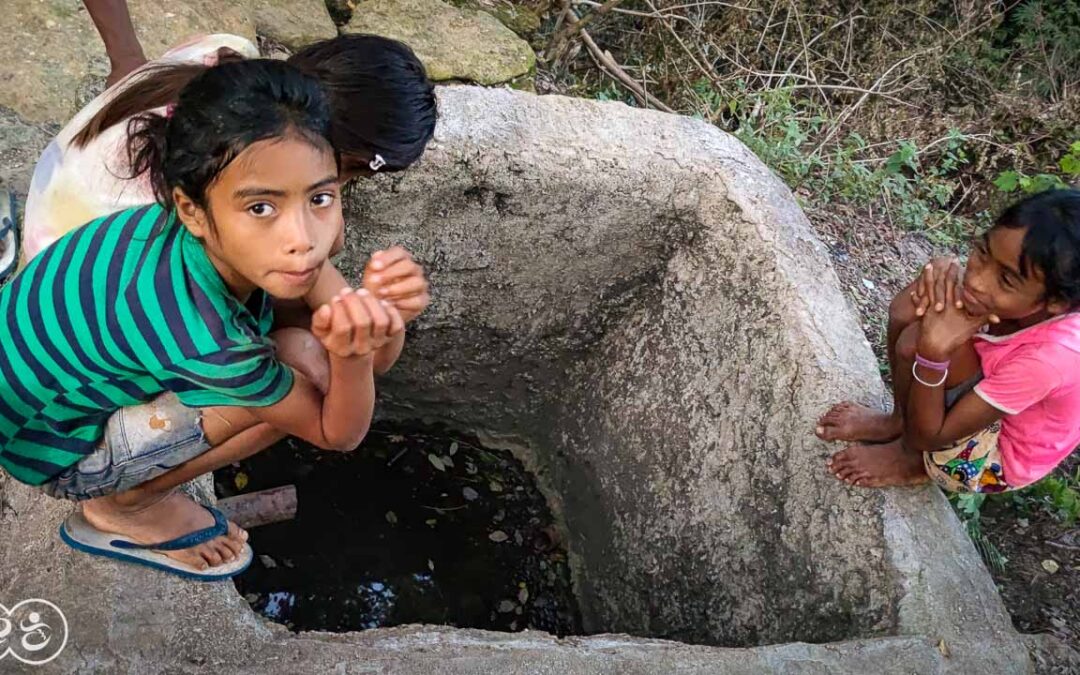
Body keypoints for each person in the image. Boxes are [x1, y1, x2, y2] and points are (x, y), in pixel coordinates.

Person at [0, 58, 423, 581]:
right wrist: (353, 351)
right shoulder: (202, 334)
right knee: (306, 361)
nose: (304, 239)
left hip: (35, 391)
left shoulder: (194, 210)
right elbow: (336, 433)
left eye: (320, 197)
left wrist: (384, 317)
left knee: (304, 337)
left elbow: (369, 348)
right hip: (54, 451)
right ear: (192, 210)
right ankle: (127, 505)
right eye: (262, 208)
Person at [817, 189, 1080, 493]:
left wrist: (933, 355)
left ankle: (910, 458)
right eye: (982, 253)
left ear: (1057, 302)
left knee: (919, 340)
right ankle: (897, 421)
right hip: (990, 390)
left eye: (1006, 279)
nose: (976, 280)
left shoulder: (1051, 359)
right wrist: (942, 275)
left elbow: (933, 436)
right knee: (911, 307)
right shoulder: (1025, 295)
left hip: (992, 459)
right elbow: (905, 311)